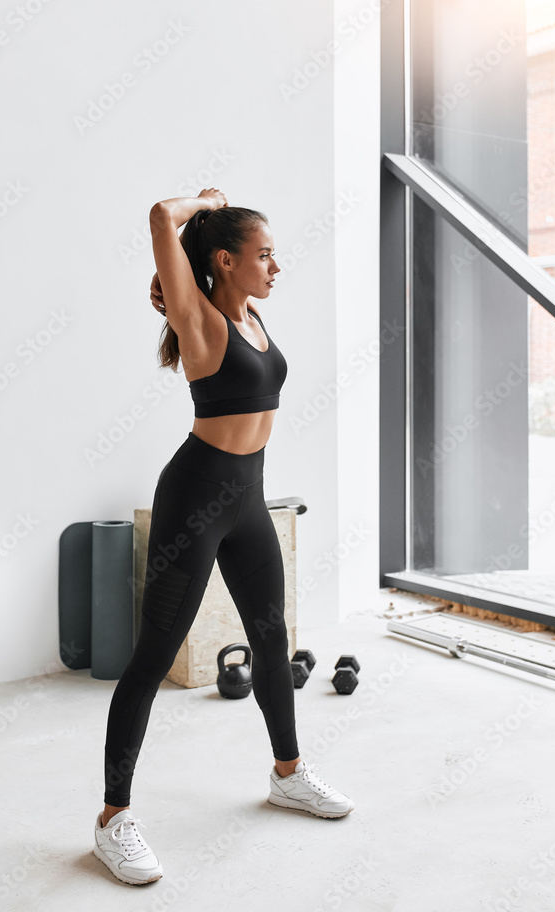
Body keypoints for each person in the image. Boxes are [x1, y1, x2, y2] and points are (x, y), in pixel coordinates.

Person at [93, 189, 354, 887]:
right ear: (225, 261)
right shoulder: (201, 322)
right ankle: (112, 821)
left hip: (248, 500)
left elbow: (194, 268)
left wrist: (212, 227)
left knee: (273, 640)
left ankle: (287, 775)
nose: (276, 265)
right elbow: (157, 217)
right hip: (195, 500)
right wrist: (202, 201)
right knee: (152, 656)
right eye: (264, 254)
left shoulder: (249, 314)